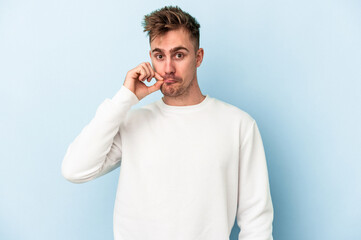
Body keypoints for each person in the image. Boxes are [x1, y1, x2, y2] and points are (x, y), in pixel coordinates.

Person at [61, 5, 274, 240]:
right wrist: (124, 98)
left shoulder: (238, 125)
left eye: (179, 55)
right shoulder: (133, 121)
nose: (168, 68)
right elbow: (74, 169)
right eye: (159, 56)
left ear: (199, 57)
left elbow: (256, 220)